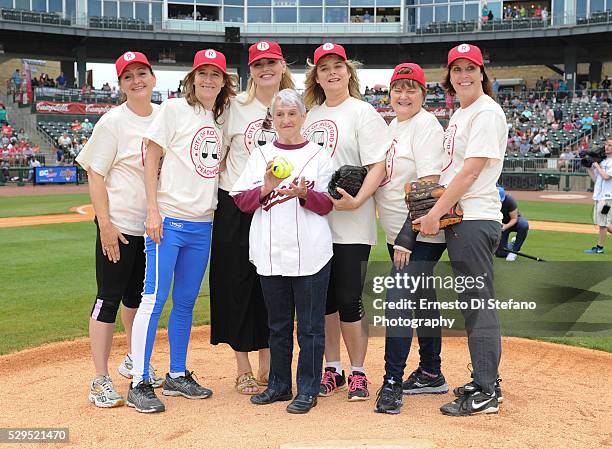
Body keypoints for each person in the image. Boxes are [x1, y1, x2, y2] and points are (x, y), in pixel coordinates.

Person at [126, 49, 237, 414]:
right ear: (192, 78)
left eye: (215, 75)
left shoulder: (219, 117)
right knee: (154, 298)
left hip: (202, 223)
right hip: (169, 219)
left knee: (186, 303)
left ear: (223, 82)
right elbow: (151, 155)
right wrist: (152, 209)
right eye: (202, 73)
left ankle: (175, 374)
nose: (208, 80)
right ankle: (139, 381)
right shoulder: (174, 109)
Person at [414, 43, 507, 416]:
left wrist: (435, 211)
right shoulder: (462, 113)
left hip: (474, 218)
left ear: (482, 73)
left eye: (471, 68)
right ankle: (486, 379)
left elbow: (470, 171)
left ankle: (486, 392)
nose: (464, 75)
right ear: (449, 76)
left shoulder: (486, 112)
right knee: (472, 303)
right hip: (465, 219)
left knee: (477, 305)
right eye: (457, 69)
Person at [231, 89, 334, 414]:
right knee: (277, 326)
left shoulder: (320, 155)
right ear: (271, 120)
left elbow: (328, 204)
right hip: (270, 253)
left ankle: (307, 389)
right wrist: (265, 187)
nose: (286, 120)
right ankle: (278, 384)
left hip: (311, 253)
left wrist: (305, 195)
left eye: (292, 114)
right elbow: (240, 201)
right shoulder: (260, 155)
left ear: (304, 117)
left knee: (311, 327)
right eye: (280, 115)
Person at [75, 51, 164, 408]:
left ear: (154, 78)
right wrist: (105, 225)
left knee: (139, 300)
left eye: (142, 73)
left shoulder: (164, 117)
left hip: (151, 229)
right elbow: (95, 173)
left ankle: (133, 359)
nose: (137, 80)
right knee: (108, 299)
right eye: (128, 76)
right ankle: (99, 379)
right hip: (120, 226)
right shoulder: (113, 121)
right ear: (120, 84)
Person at [302, 43, 387, 401]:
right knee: (324, 302)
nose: (332, 72)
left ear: (349, 72)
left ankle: (358, 372)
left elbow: (377, 166)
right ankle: (332, 368)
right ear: (316, 77)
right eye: (324, 68)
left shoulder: (362, 112)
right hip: (315, 222)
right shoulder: (308, 116)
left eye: (338, 66)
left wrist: (360, 200)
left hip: (352, 221)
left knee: (349, 299)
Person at [210, 40, 295, 396]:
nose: (265, 69)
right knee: (235, 283)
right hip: (235, 202)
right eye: (258, 64)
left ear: (282, 65)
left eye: (271, 62)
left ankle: (268, 361)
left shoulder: (294, 103)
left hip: (280, 204)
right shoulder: (234, 106)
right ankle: (243, 367)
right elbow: (217, 155)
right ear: (250, 70)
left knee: (272, 283)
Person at [372, 63, 447, 415]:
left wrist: (406, 236)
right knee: (422, 298)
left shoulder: (426, 125)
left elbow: (430, 186)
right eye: (397, 88)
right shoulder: (393, 126)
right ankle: (431, 371)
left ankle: (392, 383)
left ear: (423, 94)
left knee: (398, 299)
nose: (403, 95)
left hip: (418, 233)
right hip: (397, 231)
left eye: (411, 88)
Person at [584, 137, 612, 254]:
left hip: (608, 198)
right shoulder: (603, 161)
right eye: (606, 144)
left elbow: (606, 177)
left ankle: (599, 247)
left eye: (610, 145)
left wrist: (598, 166)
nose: (607, 147)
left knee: (603, 223)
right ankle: (599, 247)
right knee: (603, 222)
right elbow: (596, 179)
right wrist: (589, 168)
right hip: (599, 196)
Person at [494, 187, 529, 261]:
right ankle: (512, 244)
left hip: (513, 222)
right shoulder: (489, 203)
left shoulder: (510, 200)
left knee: (523, 225)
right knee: (501, 253)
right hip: (500, 224)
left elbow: (514, 219)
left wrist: (506, 226)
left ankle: (515, 251)